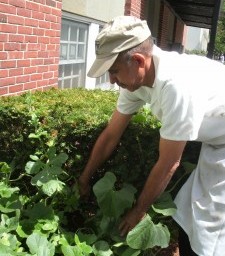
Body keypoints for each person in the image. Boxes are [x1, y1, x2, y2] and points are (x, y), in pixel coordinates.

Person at [78, 15, 225, 256]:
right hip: (216, 139)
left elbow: (169, 162)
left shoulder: (176, 85)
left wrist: (138, 211)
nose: (111, 80)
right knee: (189, 215)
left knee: (212, 231)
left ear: (137, 60)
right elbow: (111, 134)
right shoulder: (136, 80)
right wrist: (85, 178)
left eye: (113, 71)